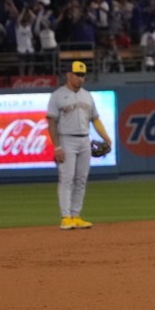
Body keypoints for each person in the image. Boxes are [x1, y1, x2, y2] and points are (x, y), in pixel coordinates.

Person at [46, 61, 112, 230]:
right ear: (69, 75)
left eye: (82, 75)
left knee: (81, 179)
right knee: (67, 179)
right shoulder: (57, 95)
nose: (80, 78)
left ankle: (76, 215)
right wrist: (57, 147)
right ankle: (65, 217)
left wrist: (107, 138)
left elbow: (95, 119)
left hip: (85, 140)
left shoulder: (87, 96)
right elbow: (52, 123)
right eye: (77, 75)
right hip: (66, 139)